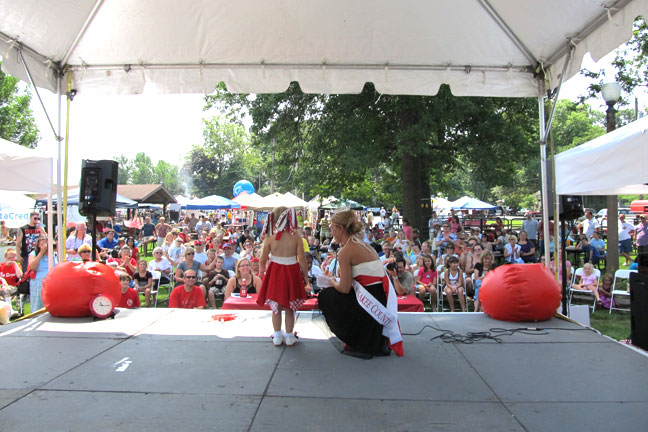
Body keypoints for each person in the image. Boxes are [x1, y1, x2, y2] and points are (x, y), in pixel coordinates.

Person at [318, 210, 403, 358]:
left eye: (332, 227)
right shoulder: (364, 245)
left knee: (326, 296)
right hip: (379, 298)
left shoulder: (346, 251)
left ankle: (354, 337)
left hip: (369, 303)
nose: (330, 231)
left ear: (341, 228)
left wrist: (331, 282)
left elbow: (344, 289)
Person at [257, 207, 309, 347]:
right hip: (291, 271)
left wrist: (262, 272)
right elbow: (302, 259)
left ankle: (277, 335)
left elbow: (262, 259)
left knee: (276, 306)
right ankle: (290, 336)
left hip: (275, 272)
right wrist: (306, 276)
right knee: (289, 307)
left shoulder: (270, 238)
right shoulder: (296, 237)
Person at [28, 236, 58, 311]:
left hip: (53, 281)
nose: (46, 245)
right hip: (39, 281)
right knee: (38, 306)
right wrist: (41, 252)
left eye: (47, 243)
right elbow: (32, 266)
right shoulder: (34, 253)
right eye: (43, 243)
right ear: (39, 245)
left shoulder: (55, 253)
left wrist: (56, 249)